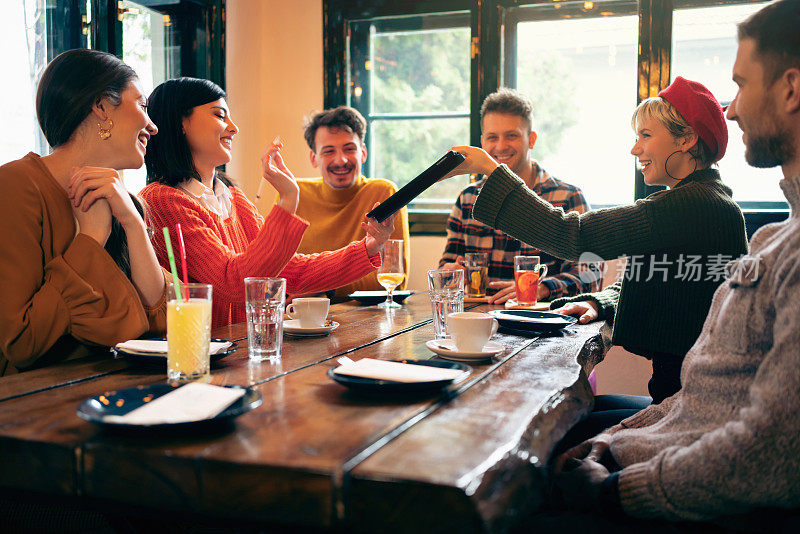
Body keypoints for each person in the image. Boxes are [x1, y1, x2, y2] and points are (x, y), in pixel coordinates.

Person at [446, 77, 748, 406]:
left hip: (691, 408)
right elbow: (657, 273)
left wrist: (490, 169)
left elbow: (571, 234)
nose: (635, 149)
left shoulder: (692, 204)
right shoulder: (706, 200)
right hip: (681, 397)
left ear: (687, 138)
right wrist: (598, 302)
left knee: (558, 422)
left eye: (646, 136)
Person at [140, 78, 395, 328]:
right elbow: (233, 282)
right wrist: (288, 199)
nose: (233, 127)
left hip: (244, 351)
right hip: (200, 355)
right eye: (219, 115)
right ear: (180, 123)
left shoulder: (232, 196)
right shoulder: (162, 200)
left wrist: (369, 247)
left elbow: (290, 272)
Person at [0, 49, 166, 377]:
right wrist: (90, 238)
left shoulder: (128, 203)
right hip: (42, 408)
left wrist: (132, 224)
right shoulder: (16, 185)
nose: (153, 126)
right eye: (143, 106)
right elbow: (21, 343)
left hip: (125, 391)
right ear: (101, 106)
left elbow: (161, 321)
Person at [439, 88, 601, 305]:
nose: (500, 146)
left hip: (541, 322)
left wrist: (540, 288)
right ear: (482, 141)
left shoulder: (569, 196)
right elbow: (447, 265)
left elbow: (591, 275)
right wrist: (448, 273)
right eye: (492, 137)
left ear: (531, 139)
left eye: (512, 136)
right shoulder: (467, 199)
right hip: (479, 319)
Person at [295, 106, 410, 299]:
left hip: (364, 319)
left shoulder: (383, 193)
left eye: (349, 149)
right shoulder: (295, 194)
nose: (341, 160)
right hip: (303, 319)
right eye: (328, 151)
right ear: (313, 158)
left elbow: (394, 282)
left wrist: (321, 288)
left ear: (363, 153)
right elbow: (280, 274)